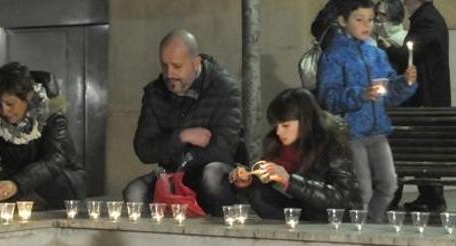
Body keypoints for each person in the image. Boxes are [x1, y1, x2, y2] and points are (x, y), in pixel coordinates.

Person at [316, 0, 417, 223]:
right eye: (359, 19)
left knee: (389, 184)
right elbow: (328, 97)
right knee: (362, 190)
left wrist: (405, 83)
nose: (367, 25)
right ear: (343, 21)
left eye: (370, 19)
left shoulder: (376, 54)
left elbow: (389, 93)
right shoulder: (333, 56)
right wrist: (360, 94)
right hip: (350, 133)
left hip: (377, 131)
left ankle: (371, 223)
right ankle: (362, 231)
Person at [125, 29, 242, 216]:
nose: (169, 73)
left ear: (195, 63)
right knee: (134, 193)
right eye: (164, 66)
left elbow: (223, 150)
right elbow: (144, 149)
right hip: (170, 175)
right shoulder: (155, 93)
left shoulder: (224, 89)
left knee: (212, 177)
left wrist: (181, 161)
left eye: (177, 66)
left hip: (207, 172)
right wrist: (182, 136)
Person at [0, 62, 84, 209]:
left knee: (46, 181)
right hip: (16, 177)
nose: (4, 111)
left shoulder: (53, 115)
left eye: (10, 104)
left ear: (28, 96)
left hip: (58, 181)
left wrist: (17, 184)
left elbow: (55, 160)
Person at [229, 88, 361, 221]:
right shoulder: (277, 144)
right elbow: (264, 178)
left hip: (333, 218)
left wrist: (289, 181)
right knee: (257, 192)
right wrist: (248, 179)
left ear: (305, 121)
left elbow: (340, 197)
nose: (279, 132)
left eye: (285, 126)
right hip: (302, 211)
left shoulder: (331, 142)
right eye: (276, 126)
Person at [381, 0, 451, 213]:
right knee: (421, 148)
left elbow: (409, 57)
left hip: (427, 98)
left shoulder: (428, 20)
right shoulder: (424, 19)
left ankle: (433, 198)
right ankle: (429, 197)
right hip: (424, 96)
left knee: (423, 147)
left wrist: (385, 46)